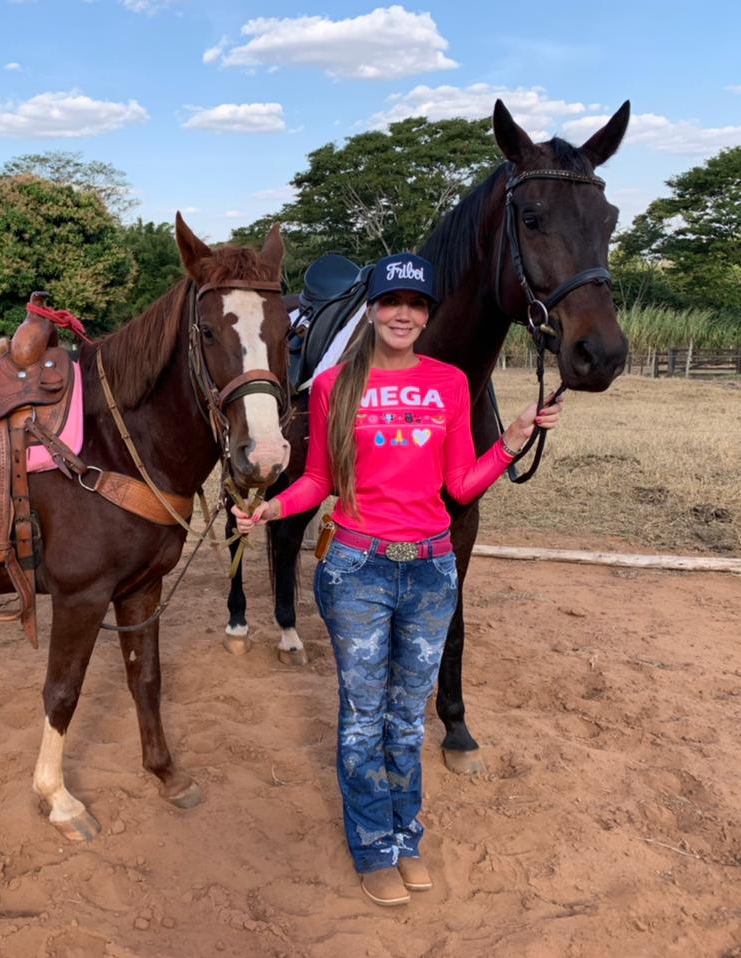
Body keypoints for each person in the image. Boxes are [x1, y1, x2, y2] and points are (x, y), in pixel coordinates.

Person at [232, 251, 562, 907]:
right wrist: (271, 507)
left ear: (426, 314)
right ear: (374, 311)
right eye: (391, 303)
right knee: (362, 720)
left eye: (415, 305)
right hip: (357, 569)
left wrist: (513, 439)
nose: (403, 315)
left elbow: (459, 484)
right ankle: (371, 846)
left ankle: (406, 836)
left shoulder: (448, 385)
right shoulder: (335, 387)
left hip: (432, 571)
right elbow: (322, 481)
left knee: (408, 720)